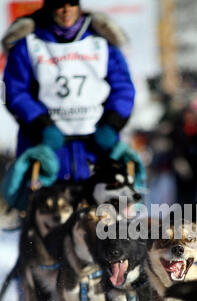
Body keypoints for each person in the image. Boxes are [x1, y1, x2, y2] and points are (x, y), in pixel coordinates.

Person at [1, 0, 144, 209]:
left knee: (104, 224)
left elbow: (123, 88)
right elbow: (15, 92)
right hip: (47, 150)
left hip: (96, 149)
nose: (66, 9)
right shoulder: (30, 44)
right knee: (47, 223)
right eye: (59, 4)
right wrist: (42, 125)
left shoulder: (102, 42)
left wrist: (112, 124)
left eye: (71, 3)